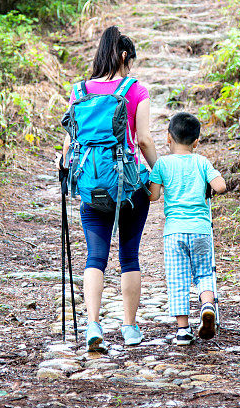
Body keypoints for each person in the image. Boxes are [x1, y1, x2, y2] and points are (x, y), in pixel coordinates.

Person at [60, 26, 158, 352]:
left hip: (91, 186)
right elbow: (143, 139)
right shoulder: (134, 90)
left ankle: (92, 324)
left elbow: (68, 146)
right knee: (129, 257)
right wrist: (158, 173)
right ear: (125, 56)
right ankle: (129, 329)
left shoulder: (79, 92)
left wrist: (66, 172)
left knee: (95, 257)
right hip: (128, 186)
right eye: (130, 62)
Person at [148, 112, 226, 345]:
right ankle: (207, 306)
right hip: (201, 230)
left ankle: (183, 330)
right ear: (196, 142)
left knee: (178, 278)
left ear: (168, 139)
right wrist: (208, 187)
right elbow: (220, 186)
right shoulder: (201, 161)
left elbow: (153, 196)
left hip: (174, 232)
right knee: (204, 273)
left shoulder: (162, 164)